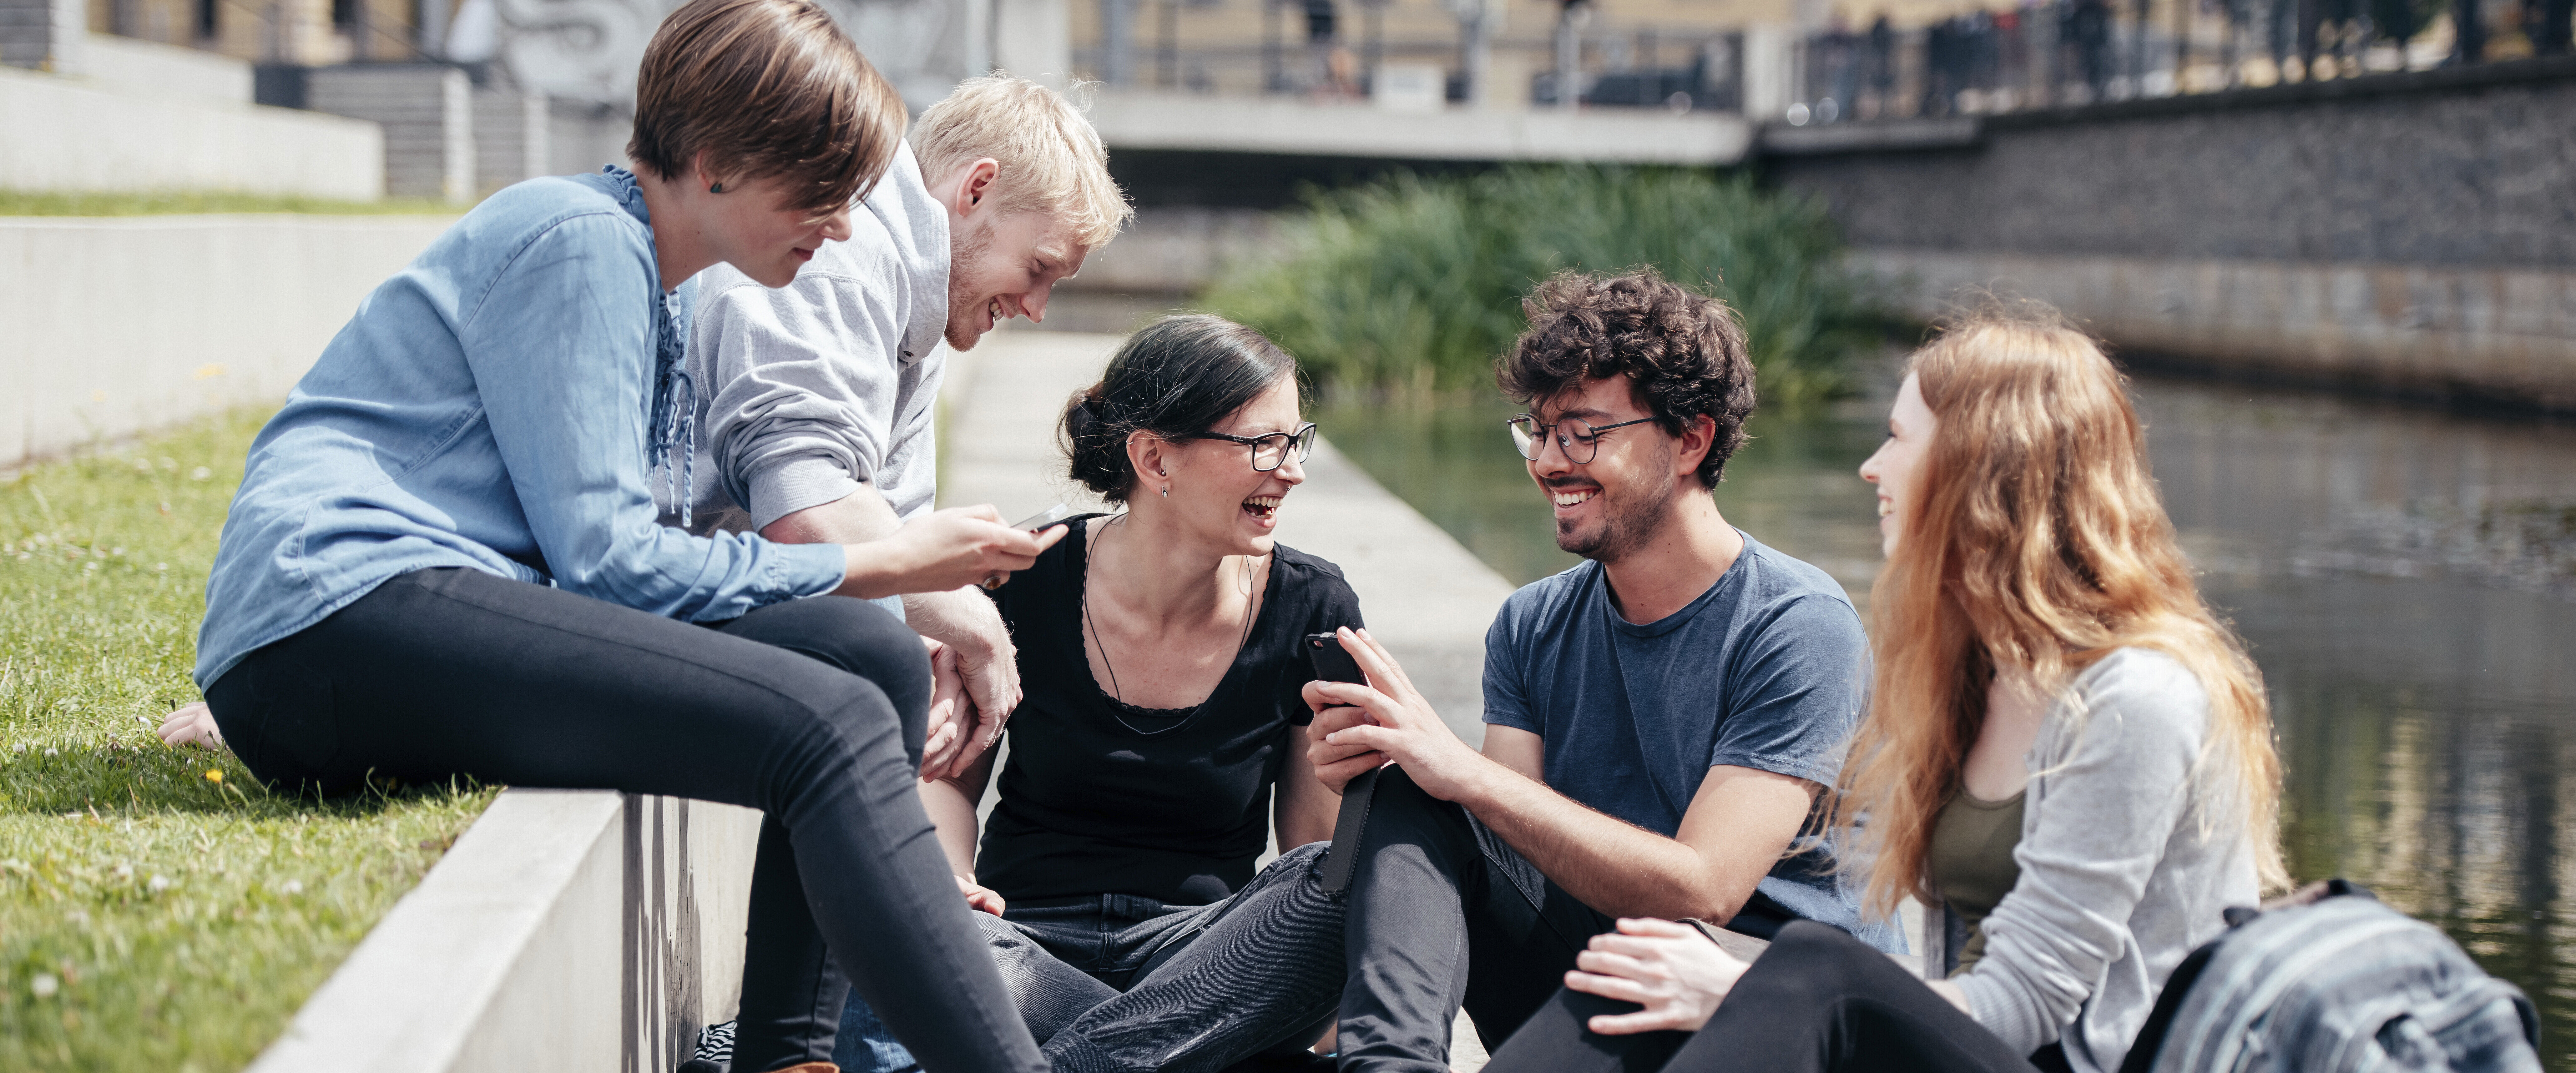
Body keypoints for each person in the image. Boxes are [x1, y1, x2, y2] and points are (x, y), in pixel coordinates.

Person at [185, 2, 1059, 1070]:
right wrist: (883, 560)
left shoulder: (658, 286)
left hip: (394, 623)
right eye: (819, 191)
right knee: (820, 722)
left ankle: (792, 1056)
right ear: (714, 164)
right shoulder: (580, 242)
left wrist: (880, 798)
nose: (839, 227)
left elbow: (642, 562)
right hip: (344, 617)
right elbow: (613, 564)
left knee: (868, 654)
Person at [1474, 309, 2286, 1073]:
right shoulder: (1978, 679)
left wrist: (1742, 986)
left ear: (1983, 466)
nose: (1871, 465)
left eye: (1899, 438)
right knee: (1654, 961)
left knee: (1809, 964)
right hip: (1966, 1043)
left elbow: (2029, 999)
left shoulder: (2136, 697)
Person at [1299, 269, 1896, 1073]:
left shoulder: (1797, 625)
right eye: (1538, 433)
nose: (1549, 462)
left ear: (1692, 440)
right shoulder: (1533, 621)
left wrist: (1460, 773)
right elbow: (1510, 844)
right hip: (1607, 973)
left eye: (1583, 433)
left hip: (1752, 1003)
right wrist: (1400, 766)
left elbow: (1706, 888)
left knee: (1455, 782)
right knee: (1418, 787)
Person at [885, 314, 1365, 1073]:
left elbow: (1313, 852)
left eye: (1296, 441)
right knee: (931, 931)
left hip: (1202, 960)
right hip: (1025, 941)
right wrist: (952, 885)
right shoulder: (1023, 576)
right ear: (1154, 458)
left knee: (1352, 877)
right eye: (1262, 444)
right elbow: (946, 775)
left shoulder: (1315, 609)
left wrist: (1312, 985)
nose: (1292, 470)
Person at [672, 73, 1132, 783]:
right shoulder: (839, 262)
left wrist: (935, 641)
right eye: (1038, 269)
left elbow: (897, 536)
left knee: (900, 670)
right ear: (975, 189)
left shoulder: (924, 303)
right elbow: (810, 517)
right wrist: (972, 629)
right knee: (877, 664)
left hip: (726, 593)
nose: (1037, 307)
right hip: (663, 593)